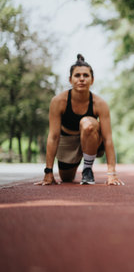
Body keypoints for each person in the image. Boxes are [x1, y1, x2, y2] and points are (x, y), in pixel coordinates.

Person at [35, 54, 124, 186]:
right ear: (70, 80)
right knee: (66, 179)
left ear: (92, 80)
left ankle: (87, 169)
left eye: (86, 75)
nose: (81, 79)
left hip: (92, 138)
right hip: (68, 140)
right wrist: (48, 172)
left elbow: (108, 138)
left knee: (87, 124)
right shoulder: (58, 101)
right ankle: (75, 164)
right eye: (77, 75)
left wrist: (112, 174)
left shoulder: (100, 103)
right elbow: (53, 136)